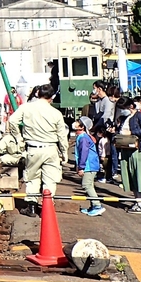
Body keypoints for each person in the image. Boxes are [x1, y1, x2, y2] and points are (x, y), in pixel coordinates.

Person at [8, 84, 67, 217]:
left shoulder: (26, 108)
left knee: (33, 178)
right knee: (50, 179)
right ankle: (47, 207)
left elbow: (12, 121)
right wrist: (64, 152)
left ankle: (32, 207)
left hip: (33, 148)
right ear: (52, 97)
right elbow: (62, 136)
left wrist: (18, 137)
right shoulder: (56, 113)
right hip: (51, 149)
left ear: (37, 93)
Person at [73, 117, 104, 216]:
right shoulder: (83, 137)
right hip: (90, 165)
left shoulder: (83, 138)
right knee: (90, 185)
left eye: (78, 122)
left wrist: (81, 167)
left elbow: (84, 153)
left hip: (89, 166)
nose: (75, 123)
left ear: (82, 127)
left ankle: (97, 206)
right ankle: (92, 207)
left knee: (86, 185)